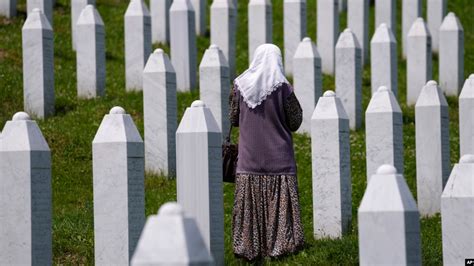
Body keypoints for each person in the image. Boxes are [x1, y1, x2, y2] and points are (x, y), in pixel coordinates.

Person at [229, 44, 304, 261]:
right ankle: (280, 246)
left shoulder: (239, 86)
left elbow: (233, 118)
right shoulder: (284, 89)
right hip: (279, 160)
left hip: (248, 160)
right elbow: (296, 121)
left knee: (248, 209)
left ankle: (248, 248)